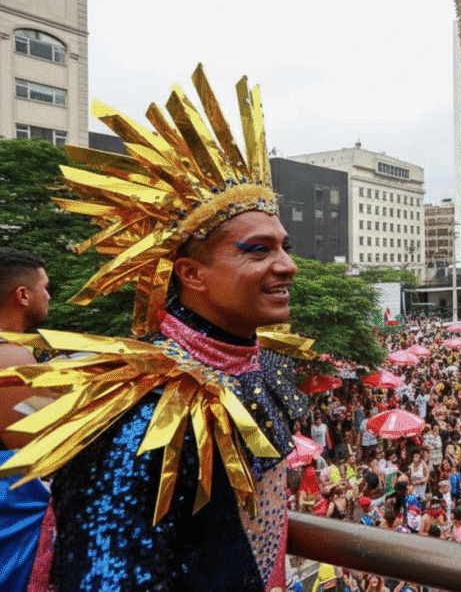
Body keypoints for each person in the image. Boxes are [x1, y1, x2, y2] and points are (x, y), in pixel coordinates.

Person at [0, 67, 309, 591]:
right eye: (257, 249)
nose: (287, 265)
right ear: (191, 274)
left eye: (284, 247)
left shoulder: (266, 365)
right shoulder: (142, 407)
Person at [0, 249, 54, 592]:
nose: (49, 296)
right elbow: (34, 448)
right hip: (14, 527)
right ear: (22, 295)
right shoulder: (13, 359)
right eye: (45, 287)